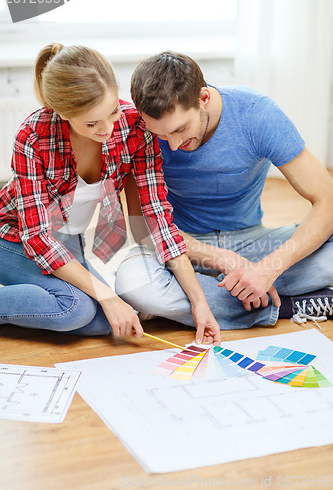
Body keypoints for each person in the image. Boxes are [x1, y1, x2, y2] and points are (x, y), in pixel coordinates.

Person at [0, 44, 221, 345]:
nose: (107, 129)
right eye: (92, 123)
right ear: (64, 114)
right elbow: (37, 237)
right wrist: (106, 295)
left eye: (113, 111)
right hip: (14, 235)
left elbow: (158, 221)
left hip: (63, 239)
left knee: (106, 320)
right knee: (75, 309)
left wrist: (199, 303)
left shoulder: (134, 127)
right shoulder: (34, 136)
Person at [114, 51, 333, 329]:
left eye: (181, 129)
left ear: (203, 98)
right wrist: (222, 260)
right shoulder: (138, 131)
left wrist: (268, 268)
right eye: (161, 135)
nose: (172, 145)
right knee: (132, 283)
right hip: (180, 251)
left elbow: (327, 200)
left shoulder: (256, 114)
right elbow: (144, 229)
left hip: (253, 245)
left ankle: (213, 296)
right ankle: (285, 305)